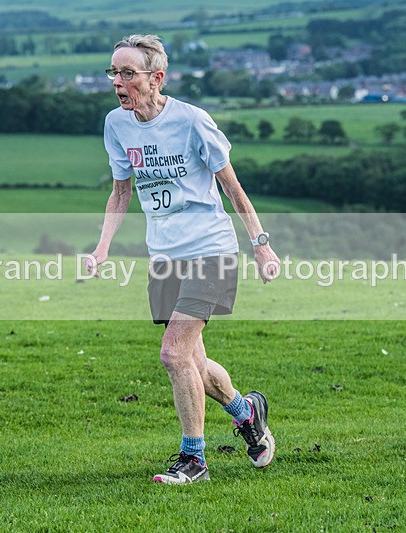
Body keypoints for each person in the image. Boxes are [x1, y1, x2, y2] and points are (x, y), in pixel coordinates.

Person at [86, 34, 281, 484]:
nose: (118, 82)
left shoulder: (192, 121)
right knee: (193, 362)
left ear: (156, 78)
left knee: (173, 354)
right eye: (113, 72)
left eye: (128, 73)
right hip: (165, 255)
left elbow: (233, 189)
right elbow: (121, 192)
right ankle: (247, 411)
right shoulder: (116, 125)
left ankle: (194, 459)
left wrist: (261, 243)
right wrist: (102, 247)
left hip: (211, 249)